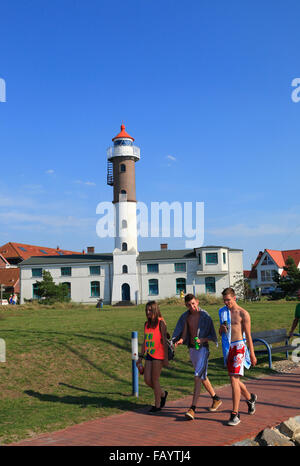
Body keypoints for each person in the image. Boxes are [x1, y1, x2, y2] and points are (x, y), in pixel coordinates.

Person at [173, 293, 222, 420]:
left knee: (197, 376)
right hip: (192, 349)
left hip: (203, 350)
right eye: (189, 305)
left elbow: (212, 335)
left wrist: (202, 339)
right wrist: (179, 341)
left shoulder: (205, 316)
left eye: (193, 304)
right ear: (186, 305)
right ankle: (216, 399)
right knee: (202, 376)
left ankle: (192, 408)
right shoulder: (186, 317)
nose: (192, 306)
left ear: (198, 302)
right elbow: (184, 335)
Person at [219, 287, 257, 426]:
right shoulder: (223, 312)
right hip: (228, 348)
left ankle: (235, 414)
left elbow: (249, 335)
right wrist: (221, 329)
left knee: (234, 380)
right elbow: (220, 331)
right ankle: (250, 398)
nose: (226, 303)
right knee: (233, 378)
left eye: (228, 300)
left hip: (239, 347)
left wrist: (252, 354)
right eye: (224, 300)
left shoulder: (243, 314)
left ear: (234, 298)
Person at [136, 301, 169, 414]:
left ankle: (157, 405)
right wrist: (140, 356)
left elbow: (164, 341)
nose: (147, 312)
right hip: (149, 354)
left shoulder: (161, 323)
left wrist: (165, 358)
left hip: (159, 355)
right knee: (147, 380)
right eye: (146, 310)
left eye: (150, 310)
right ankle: (162, 394)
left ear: (155, 310)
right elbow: (145, 341)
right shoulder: (146, 324)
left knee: (155, 380)